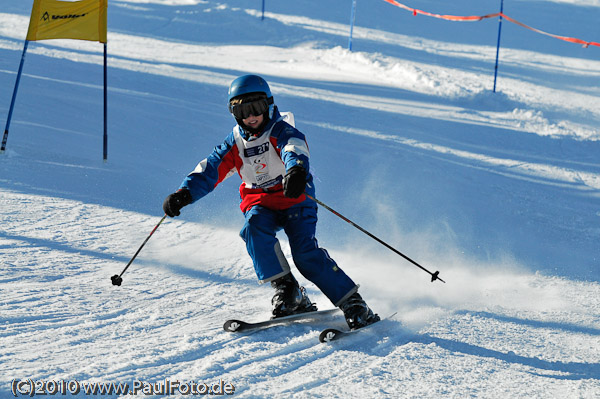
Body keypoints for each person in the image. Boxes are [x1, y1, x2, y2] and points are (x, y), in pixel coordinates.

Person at [162, 74, 379, 329]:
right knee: (253, 230)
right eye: (242, 110)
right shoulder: (235, 141)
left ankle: (353, 303)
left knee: (305, 254)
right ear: (233, 112)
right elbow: (211, 169)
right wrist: (184, 194)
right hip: (261, 203)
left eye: (256, 107)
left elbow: (294, 149)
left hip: (295, 199)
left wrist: (296, 171)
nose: (251, 116)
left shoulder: (282, 130)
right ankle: (289, 292)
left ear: (269, 105)